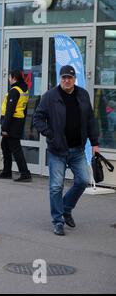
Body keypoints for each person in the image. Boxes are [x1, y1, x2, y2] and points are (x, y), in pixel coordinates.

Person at [33, 65, 99, 236]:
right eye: (63, 78)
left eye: (69, 77)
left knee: (83, 180)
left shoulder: (82, 95)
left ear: (74, 79)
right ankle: (58, 221)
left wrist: (95, 142)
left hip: (78, 149)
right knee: (56, 187)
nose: (66, 80)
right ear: (60, 79)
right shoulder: (50, 96)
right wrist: (50, 134)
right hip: (58, 149)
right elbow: (38, 118)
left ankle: (66, 208)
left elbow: (91, 119)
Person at [0, 70, 32, 182]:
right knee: (5, 145)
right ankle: (7, 172)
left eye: (10, 77)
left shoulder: (14, 91)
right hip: (18, 121)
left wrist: (5, 127)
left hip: (11, 123)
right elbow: (24, 110)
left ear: (14, 78)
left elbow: (10, 110)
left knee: (16, 149)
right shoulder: (24, 89)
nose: (8, 79)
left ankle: (25, 173)